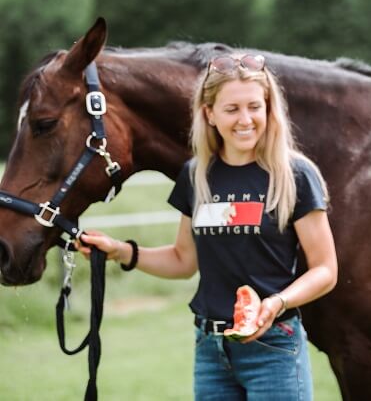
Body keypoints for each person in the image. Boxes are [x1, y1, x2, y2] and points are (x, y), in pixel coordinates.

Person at [78, 53, 337, 400]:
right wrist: (120, 251)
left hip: (274, 346)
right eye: (232, 109)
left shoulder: (295, 175)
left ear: (268, 109)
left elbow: (325, 270)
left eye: (254, 107)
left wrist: (276, 303)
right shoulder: (196, 175)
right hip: (210, 349)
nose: (245, 119)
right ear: (209, 114)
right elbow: (183, 261)